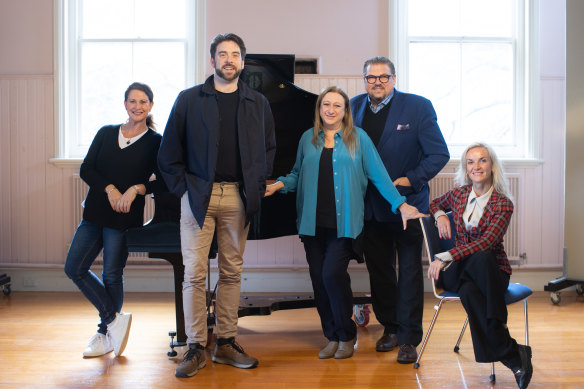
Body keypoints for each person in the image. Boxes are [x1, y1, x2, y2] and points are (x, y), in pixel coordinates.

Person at [265, 86, 425, 360]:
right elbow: (296, 173)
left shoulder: (358, 138)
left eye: (337, 105)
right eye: (325, 104)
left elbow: (379, 176)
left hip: (345, 224)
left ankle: (347, 335)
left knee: (332, 275)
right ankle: (332, 336)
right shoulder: (308, 139)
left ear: (345, 111)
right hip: (311, 223)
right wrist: (279, 184)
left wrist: (401, 205)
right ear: (319, 109)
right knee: (319, 280)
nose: (330, 109)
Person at [157, 33, 276, 378]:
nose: (228, 60)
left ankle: (226, 342)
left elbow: (268, 151)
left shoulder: (257, 102)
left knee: (231, 272)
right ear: (212, 61)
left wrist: (254, 185)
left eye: (235, 54)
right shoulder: (190, 99)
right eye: (222, 54)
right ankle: (195, 346)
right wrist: (184, 190)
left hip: (238, 197)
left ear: (242, 62)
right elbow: (168, 154)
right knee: (194, 274)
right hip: (197, 196)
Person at [350, 56, 450, 363]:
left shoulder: (418, 107)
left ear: (394, 78)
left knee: (408, 273)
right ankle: (390, 329)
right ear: (364, 79)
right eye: (371, 77)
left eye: (384, 77)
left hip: (409, 207)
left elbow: (438, 154)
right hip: (370, 209)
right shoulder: (353, 107)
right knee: (380, 272)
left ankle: (408, 338)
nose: (377, 82)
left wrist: (411, 179)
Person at [65, 82, 164, 358]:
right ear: (125, 104)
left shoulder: (156, 142)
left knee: (111, 275)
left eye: (143, 101)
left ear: (151, 106)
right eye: (132, 101)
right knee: (74, 268)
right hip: (94, 213)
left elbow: (166, 180)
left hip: (122, 219)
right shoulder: (106, 133)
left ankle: (104, 334)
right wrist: (110, 189)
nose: (137, 106)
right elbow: (87, 168)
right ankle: (113, 320)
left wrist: (137, 189)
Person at [428, 142, 532, 389]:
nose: (476, 166)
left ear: (492, 165)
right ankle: (510, 345)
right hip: (459, 271)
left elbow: (488, 242)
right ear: (466, 168)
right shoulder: (459, 194)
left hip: (491, 273)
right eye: (470, 162)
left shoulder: (503, 203)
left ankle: (512, 357)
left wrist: (446, 255)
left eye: (482, 160)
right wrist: (440, 215)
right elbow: (434, 203)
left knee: (475, 278)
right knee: (476, 265)